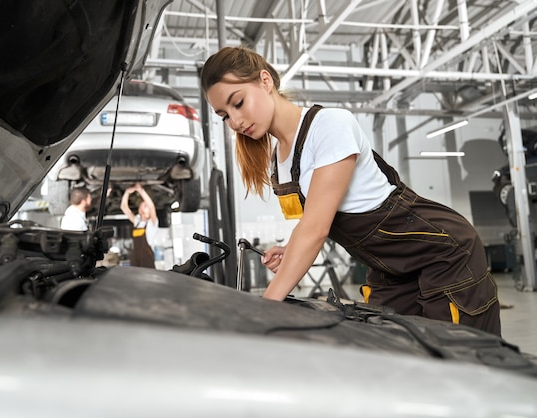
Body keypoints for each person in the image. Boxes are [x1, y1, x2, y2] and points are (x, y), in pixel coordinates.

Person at [200, 46, 501, 336]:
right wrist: (291, 250)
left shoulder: (330, 125)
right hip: (389, 270)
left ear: (265, 81)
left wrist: (265, 308)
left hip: (443, 255)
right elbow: (312, 218)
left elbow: (316, 229)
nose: (235, 121)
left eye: (237, 103)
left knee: (458, 360)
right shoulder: (280, 158)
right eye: (224, 116)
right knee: (395, 359)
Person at [121, 183, 159, 268]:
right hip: (135, 258)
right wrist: (127, 192)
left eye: (146, 205)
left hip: (146, 260)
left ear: (149, 213)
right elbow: (124, 208)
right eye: (143, 204)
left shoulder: (152, 223)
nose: (145, 205)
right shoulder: (137, 222)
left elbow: (152, 207)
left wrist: (141, 190)